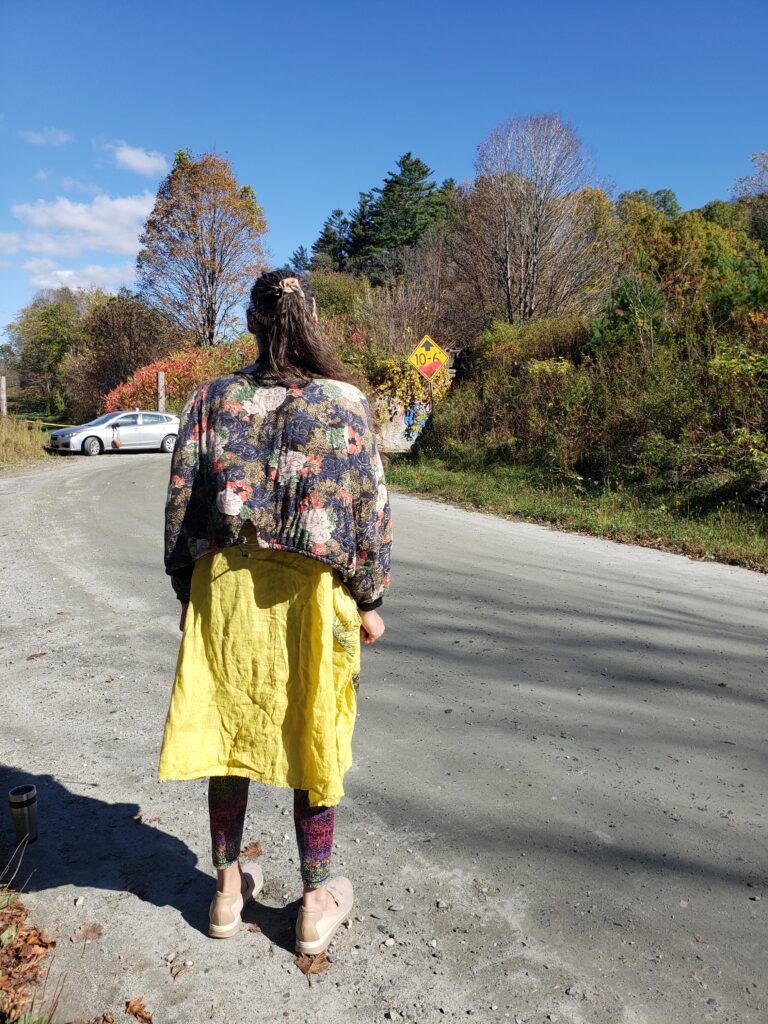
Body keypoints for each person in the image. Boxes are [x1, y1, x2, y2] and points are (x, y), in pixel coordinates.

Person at [158, 269, 392, 955]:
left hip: (225, 592)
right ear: (310, 319)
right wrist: (370, 600)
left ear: (252, 321)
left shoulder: (209, 398)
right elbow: (370, 508)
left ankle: (228, 890)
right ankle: (316, 906)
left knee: (228, 735)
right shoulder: (345, 402)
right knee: (314, 737)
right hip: (315, 595)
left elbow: (180, 507)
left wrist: (187, 597)